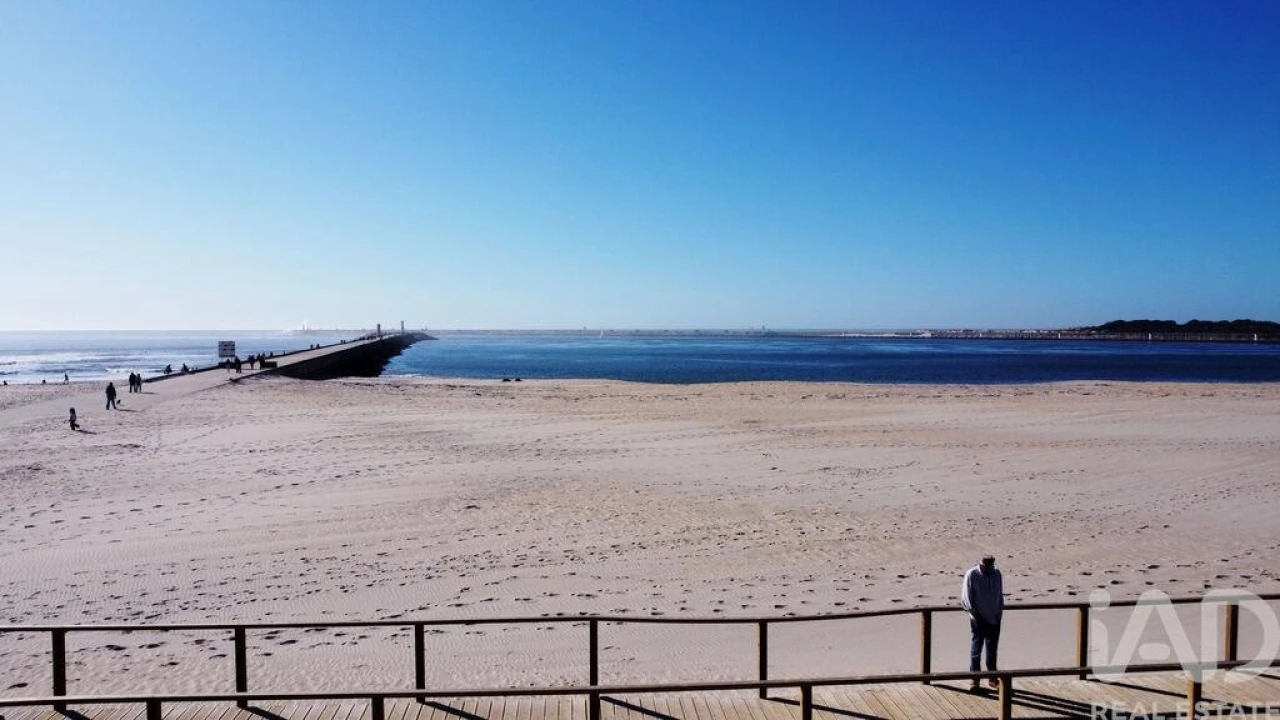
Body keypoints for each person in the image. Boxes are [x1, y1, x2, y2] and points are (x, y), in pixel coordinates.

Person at [961, 554, 1004, 690]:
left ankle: (992, 678)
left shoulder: (996, 574)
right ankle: (975, 679)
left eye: (990, 564)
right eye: (986, 564)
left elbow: (999, 594)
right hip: (978, 618)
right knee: (976, 650)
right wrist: (974, 614)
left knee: (992, 650)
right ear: (981, 563)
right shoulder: (972, 574)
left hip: (994, 617)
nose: (988, 566)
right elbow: (966, 597)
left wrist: (999, 613)